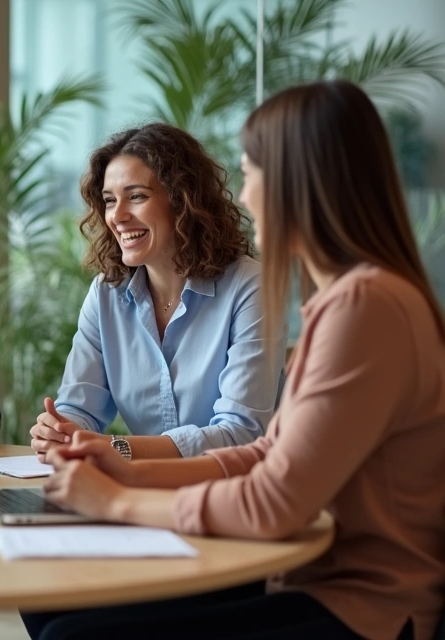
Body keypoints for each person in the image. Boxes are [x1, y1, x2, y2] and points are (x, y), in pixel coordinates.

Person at [29, 80, 445, 640]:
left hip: (359, 604)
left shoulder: (364, 305)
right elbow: (268, 453)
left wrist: (121, 500)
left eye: (252, 175)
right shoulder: (349, 299)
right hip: (300, 574)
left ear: (302, 183)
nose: (245, 197)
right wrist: (130, 470)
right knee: (51, 602)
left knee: (73, 633)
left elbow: (273, 501)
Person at [31, 122, 284, 462]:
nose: (117, 216)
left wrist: (116, 449)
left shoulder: (250, 286)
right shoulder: (107, 294)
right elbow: (79, 408)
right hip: (144, 489)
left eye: (136, 196)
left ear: (182, 201)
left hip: (239, 495)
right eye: (109, 201)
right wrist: (59, 432)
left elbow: (240, 433)